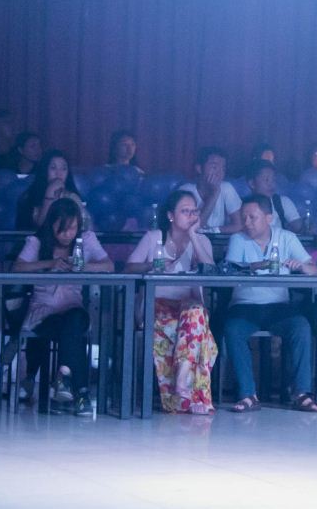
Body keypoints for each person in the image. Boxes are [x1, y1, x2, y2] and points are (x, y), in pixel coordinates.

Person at [220, 196, 317, 413]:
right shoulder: (238, 239)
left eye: (253, 217)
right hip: (244, 306)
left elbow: (314, 270)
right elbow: (230, 270)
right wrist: (259, 265)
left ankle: (302, 393)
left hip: (278, 306)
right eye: (244, 217)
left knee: (301, 326)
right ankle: (247, 394)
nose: (247, 222)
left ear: (269, 218)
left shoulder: (286, 237)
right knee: (232, 329)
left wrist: (301, 267)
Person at [13, 198, 112, 416]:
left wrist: (83, 266)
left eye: (72, 228)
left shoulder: (86, 240)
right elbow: (18, 267)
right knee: (72, 333)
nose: (67, 234)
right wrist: (50, 264)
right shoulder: (37, 242)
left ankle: (64, 376)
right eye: (62, 229)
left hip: (73, 307)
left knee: (74, 321)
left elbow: (109, 265)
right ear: (52, 225)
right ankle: (81, 393)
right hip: (43, 311)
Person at [128, 191, 217, 414]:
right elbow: (129, 267)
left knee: (196, 314)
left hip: (187, 307)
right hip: (156, 305)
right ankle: (191, 397)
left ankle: (181, 378)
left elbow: (210, 271)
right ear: (170, 215)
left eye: (194, 211)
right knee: (196, 329)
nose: (191, 216)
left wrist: (194, 236)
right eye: (185, 211)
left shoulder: (202, 240)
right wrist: (153, 266)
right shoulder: (154, 237)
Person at [179, 146, 243, 232]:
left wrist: (214, 230)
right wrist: (214, 194)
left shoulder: (226, 188)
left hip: (217, 239)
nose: (219, 173)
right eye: (214, 167)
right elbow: (193, 228)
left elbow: (239, 225)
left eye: (223, 169)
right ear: (199, 168)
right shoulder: (186, 191)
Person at [17, 151, 81, 229]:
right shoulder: (29, 196)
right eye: (53, 168)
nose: (59, 173)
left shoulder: (72, 196)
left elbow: (84, 225)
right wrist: (50, 192)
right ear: (44, 170)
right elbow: (40, 227)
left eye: (64, 169)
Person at [244, 159, 304, 234]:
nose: (271, 184)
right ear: (252, 183)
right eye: (266, 180)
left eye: (273, 180)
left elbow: (298, 227)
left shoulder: (282, 202)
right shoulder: (242, 206)